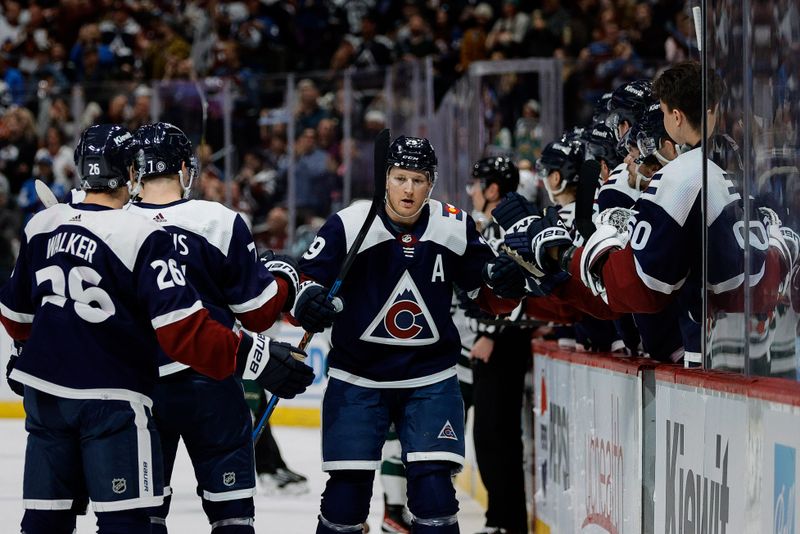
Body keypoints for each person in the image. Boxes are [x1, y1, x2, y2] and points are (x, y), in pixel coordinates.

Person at [0, 123, 313, 534]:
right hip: (123, 399)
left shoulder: (44, 225)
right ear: (133, 172)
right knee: (140, 520)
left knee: (46, 519)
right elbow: (190, 327)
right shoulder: (150, 233)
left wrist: (28, 353)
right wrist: (257, 350)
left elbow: (16, 316)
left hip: (50, 397)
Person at [292, 135, 518, 534]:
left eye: (418, 179)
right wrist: (307, 299)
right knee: (346, 498)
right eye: (399, 178)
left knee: (434, 496)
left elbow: (488, 296)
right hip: (357, 377)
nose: (408, 189)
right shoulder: (350, 223)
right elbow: (304, 280)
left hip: (429, 379)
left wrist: (504, 283)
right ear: (385, 179)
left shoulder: (454, 225)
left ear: (431, 183)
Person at [125, 122, 309, 533]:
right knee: (232, 517)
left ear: (134, 172)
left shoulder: (114, 225)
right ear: (185, 170)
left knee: (142, 518)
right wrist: (283, 275)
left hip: (140, 392)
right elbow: (259, 313)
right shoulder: (217, 220)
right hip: (213, 383)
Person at [466, 156, 531, 534]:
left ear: (493, 189)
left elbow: (519, 286)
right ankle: (501, 520)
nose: (472, 192)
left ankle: (506, 523)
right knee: (491, 435)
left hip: (503, 343)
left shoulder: (507, 229)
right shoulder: (490, 227)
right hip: (496, 340)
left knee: (496, 435)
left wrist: (491, 332)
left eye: (477, 185)